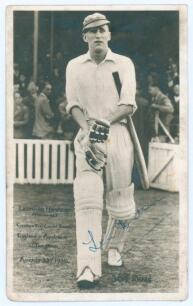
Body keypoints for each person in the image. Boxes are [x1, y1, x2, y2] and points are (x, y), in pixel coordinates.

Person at [66, 13, 137, 288]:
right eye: (92, 31)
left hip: (116, 134)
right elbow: (72, 104)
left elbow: (128, 104)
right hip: (87, 137)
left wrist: (104, 124)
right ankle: (87, 267)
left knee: (121, 204)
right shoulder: (74, 66)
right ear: (84, 36)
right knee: (87, 200)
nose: (97, 35)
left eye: (102, 30)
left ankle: (115, 246)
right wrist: (86, 130)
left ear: (109, 35)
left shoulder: (123, 64)